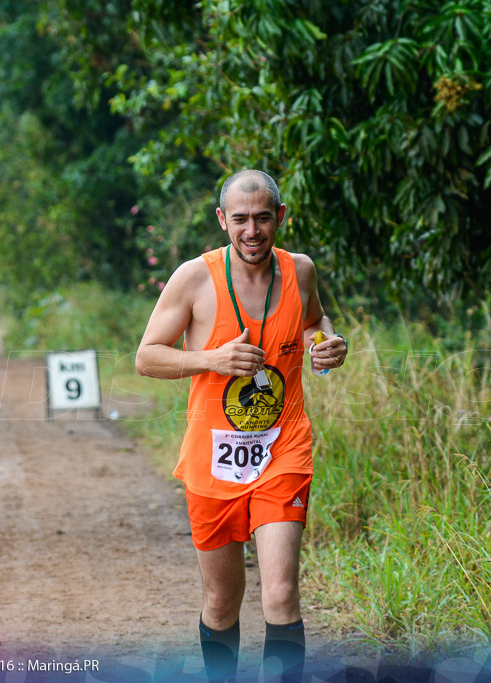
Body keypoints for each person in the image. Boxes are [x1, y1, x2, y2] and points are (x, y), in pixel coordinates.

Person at [136, 170, 348, 682]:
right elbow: (147, 358)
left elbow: (316, 321)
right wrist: (212, 358)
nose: (252, 230)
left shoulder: (300, 271)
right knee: (222, 599)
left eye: (262, 218)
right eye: (240, 220)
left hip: (283, 449)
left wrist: (328, 343)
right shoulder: (194, 277)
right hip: (214, 460)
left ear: (280, 217)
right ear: (221, 221)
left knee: (280, 591)